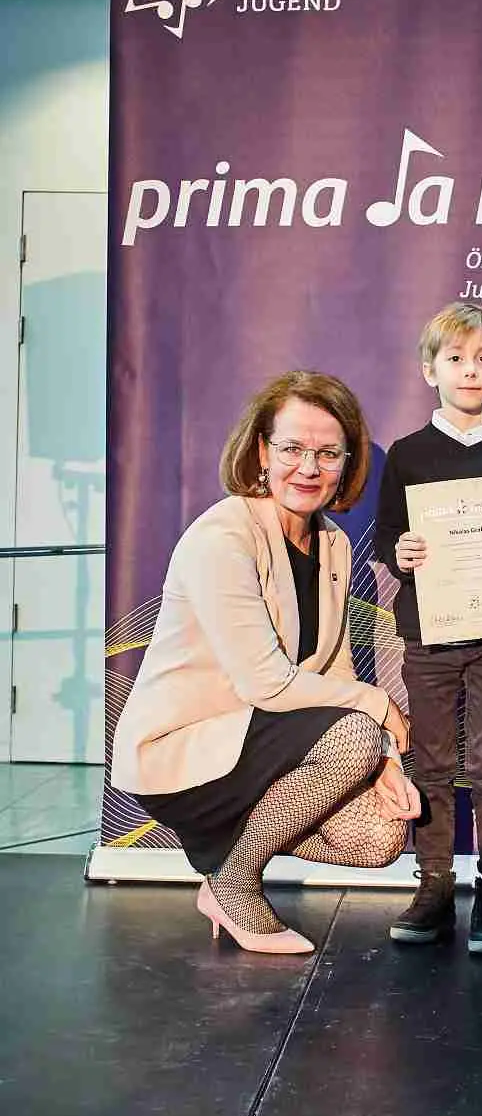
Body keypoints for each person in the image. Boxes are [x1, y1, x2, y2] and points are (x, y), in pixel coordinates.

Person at [111, 371, 420, 955]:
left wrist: (381, 760)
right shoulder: (222, 537)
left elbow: (334, 671)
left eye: (328, 453)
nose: (309, 468)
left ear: (346, 464)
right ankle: (234, 883)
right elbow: (266, 683)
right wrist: (377, 712)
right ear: (261, 451)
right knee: (355, 731)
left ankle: (232, 855)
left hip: (258, 743)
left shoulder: (332, 542)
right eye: (292, 449)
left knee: (379, 836)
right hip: (182, 751)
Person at [373, 302, 482, 954]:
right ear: (431, 370)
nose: (469, 370)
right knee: (435, 764)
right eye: (455, 358)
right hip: (430, 633)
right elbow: (387, 535)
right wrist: (401, 552)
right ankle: (435, 888)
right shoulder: (407, 455)